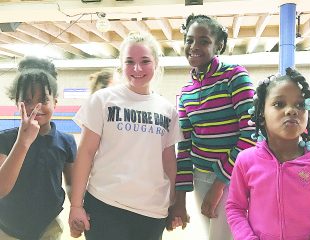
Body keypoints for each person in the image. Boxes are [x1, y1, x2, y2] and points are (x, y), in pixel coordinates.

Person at [68, 31, 183, 240]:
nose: (137, 68)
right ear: (121, 65)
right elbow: (85, 153)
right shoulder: (102, 100)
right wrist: (76, 205)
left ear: (156, 64)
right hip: (105, 205)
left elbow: (169, 162)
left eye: (145, 61)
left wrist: (175, 203)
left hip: (152, 211)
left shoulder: (168, 110)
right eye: (130, 62)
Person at [226, 68, 310, 239]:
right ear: (261, 113)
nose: (291, 110)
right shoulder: (246, 160)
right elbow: (235, 208)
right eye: (279, 104)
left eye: (300, 105)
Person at [167, 14, 255, 240]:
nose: (193, 47)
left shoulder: (234, 76)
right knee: (213, 235)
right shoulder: (186, 92)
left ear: (219, 45)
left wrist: (219, 184)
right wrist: (180, 200)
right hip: (200, 178)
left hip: (235, 177)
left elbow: (252, 133)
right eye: (189, 40)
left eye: (203, 41)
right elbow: (185, 147)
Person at [0, 57, 77, 240]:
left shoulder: (66, 142)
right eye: (27, 100)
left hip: (48, 227)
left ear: (55, 103)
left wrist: (77, 209)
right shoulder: (4, 139)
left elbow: (72, 184)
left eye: (44, 100)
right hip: (7, 228)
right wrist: (23, 142)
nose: (36, 107)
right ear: (16, 103)